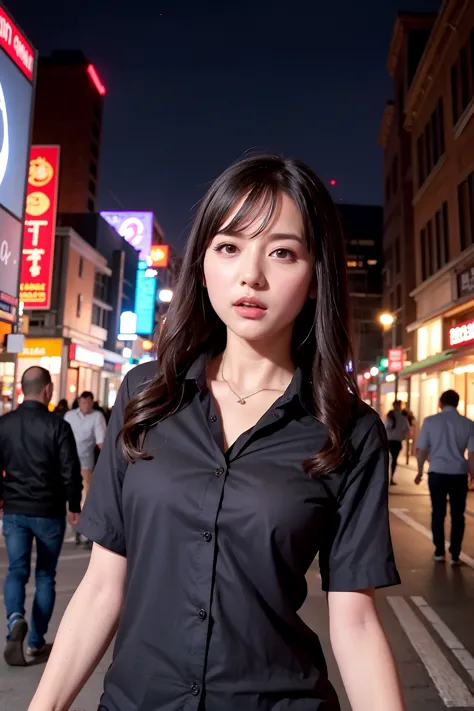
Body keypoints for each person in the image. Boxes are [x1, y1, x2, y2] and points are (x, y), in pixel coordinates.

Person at [29, 155, 404, 711]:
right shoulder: (146, 395)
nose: (251, 275)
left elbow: (355, 619)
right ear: (203, 261)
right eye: (229, 247)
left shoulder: (347, 431)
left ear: (316, 272)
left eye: (282, 251)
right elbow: (104, 586)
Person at [0, 366, 82, 666]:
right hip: (48, 511)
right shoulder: (58, 426)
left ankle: (14, 620)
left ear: (22, 389)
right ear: (47, 389)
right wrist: (75, 504)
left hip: (14, 509)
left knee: (16, 571)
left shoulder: (4, 424)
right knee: (45, 575)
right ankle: (35, 642)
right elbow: (70, 469)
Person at [415, 389, 474, 566]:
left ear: (440, 402)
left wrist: (419, 471)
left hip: (437, 473)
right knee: (458, 515)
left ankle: (439, 551)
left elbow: (422, 450)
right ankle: (455, 554)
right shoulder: (468, 424)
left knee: (438, 513)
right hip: (459, 474)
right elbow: (472, 454)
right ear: (457, 403)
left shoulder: (430, 422)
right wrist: (473, 475)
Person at [64, 391, 106, 547]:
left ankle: (83, 530)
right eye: (83, 403)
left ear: (92, 403)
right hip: (66, 461)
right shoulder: (69, 416)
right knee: (67, 494)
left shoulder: (97, 417)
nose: (85, 406)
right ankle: (71, 526)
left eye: (88, 403)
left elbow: (101, 442)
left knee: (85, 496)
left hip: (85, 463)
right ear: (79, 401)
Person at [384, 400, 410, 485]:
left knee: (387, 460)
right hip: (396, 441)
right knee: (394, 460)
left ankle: (386, 478)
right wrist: (403, 436)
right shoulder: (403, 418)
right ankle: (391, 478)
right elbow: (407, 430)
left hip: (388, 440)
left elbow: (385, 427)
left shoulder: (389, 416)